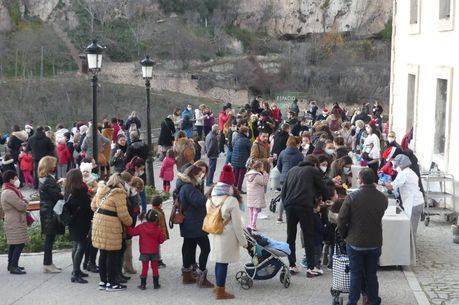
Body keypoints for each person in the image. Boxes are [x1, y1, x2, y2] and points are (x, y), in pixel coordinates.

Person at [338, 168, 388, 305]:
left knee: (356, 274)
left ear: (360, 180)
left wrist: (344, 235)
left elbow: (341, 219)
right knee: (372, 274)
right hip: (375, 241)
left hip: (355, 242)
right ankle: (374, 300)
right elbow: (380, 213)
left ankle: (352, 301)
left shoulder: (352, 197)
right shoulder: (382, 197)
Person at [280, 155, 329, 277]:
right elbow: (323, 188)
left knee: (290, 236)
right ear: (315, 164)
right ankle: (311, 267)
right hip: (304, 206)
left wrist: (286, 205)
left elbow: (283, 190)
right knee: (308, 236)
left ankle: (292, 265)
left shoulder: (292, 170)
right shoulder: (313, 170)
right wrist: (324, 198)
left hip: (290, 205)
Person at [207, 165, 247, 299]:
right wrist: (243, 242)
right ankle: (220, 291)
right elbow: (237, 225)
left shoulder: (211, 196)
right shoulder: (231, 200)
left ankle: (218, 287)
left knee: (219, 261)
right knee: (223, 263)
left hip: (214, 231)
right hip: (226, 235)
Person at [91, 173, 133, 292]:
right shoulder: (118, 193)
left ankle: (103, 282)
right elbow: (123, 215)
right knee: (112, 254)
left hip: (98, 224)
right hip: (111, 226)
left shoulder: (102, 190)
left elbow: (93, 206)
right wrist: (130, 222)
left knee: (103, 253)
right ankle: (112, 283)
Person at [175, 165, 214, 288]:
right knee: (205, 248)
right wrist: (209, 193)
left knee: (189, 247)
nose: (200, 176)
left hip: (189, 223)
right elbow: (199, 201)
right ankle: (202, 278)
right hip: (194, 224)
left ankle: (187, 276)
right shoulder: (188, 188)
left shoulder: (184, 185)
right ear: (193, 175)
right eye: (198, 174)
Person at [64, 169, 93, 284]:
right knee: (81, 246)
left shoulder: (68, 189)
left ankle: (76, 270)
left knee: (76, 245)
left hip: (73, 222)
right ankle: (75, 273)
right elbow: (86, 206)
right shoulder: (79, 191)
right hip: (80, 222)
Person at [385, 154, 424, 235]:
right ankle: (410, 246)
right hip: (417, 201)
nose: (394, 166)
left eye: (395, 164)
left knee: (410, 230)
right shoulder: (410, 171)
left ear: (400, 164)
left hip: (414, 203)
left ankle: (410, 247)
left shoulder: (404, 173)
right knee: (411, 228)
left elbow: (391, 187)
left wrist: (383, 183)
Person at [126, 209, 165, 290]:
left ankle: (143, 285)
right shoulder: (158, 228)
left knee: (145, 268)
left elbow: (131, 232)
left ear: (146, 217)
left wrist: (127, 225)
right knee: (154, 268)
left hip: (144, 252)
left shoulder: (142, 227)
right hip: (155, 251)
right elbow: (161, 241)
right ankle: (156, 284)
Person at [38, 156, 65, 273]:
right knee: (49, 239)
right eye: (54, 164)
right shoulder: (48, 180)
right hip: (50, 212)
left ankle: (49, 263)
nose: (56, 166)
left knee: (50, 238)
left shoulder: (45, 179)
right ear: (49, 166)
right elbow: (57, 195)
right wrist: (63, 190)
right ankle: (47, 263)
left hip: (47, 212)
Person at [0, 170, 29, 275]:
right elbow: (21, 206)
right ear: (11, 179)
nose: (17, 180)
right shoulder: (9, 192)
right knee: (19, 243)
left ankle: (11, 264)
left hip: (13, 220)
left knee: (14, 243)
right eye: (16, 178)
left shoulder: (10, 190)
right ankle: (13, 266)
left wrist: (23, 201)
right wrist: (26, 203)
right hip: (14, 221)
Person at [276, 136, 304, 223]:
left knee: (282, 197)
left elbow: (278, 166)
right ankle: (293, 217)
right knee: (294, 197)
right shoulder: (300, 155)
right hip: (295, 178)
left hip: (284, 178)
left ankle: (279, 217)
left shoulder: (282, 153)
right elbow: (301, 167)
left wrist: (283, 173)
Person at [245, 161, 269, 231]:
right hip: (257, 195)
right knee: (256, 210)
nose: (262, 168)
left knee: (251, 210)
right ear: (258, 168)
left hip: (250, 194)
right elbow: (264, 183)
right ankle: (253, 225)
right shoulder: (257, 175)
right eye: (261, 167)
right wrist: (265, 174)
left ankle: (250, 223)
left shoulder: (248, 174)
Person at [231, 126, 252, 193]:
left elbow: (232, 145)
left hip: (234, 159)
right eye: (247, 132)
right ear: (244, 132)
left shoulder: (235, 138)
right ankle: (239, 189)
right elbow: (250, 149)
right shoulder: (246, 140)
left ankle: (234, 187)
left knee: (235, 174)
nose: (248, 133)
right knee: (241, 174)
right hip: (243, 159)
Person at [151, 195, 169, 268]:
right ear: (160, 204)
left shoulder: (157, 211)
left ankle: (158, 260)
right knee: (156, 248)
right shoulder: (156, 213)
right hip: (157, 234)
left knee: (157, 247)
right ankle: (157, 261)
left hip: (157, 234)